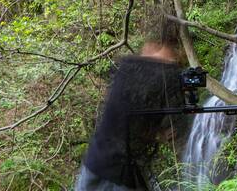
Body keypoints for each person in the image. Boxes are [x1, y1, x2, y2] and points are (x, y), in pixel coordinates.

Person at [75, 24, 184, 191]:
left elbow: (130, 120)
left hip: (95, 162)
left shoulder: (127, 69)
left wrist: (158, 134)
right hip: (118, 172)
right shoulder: (158, 74)